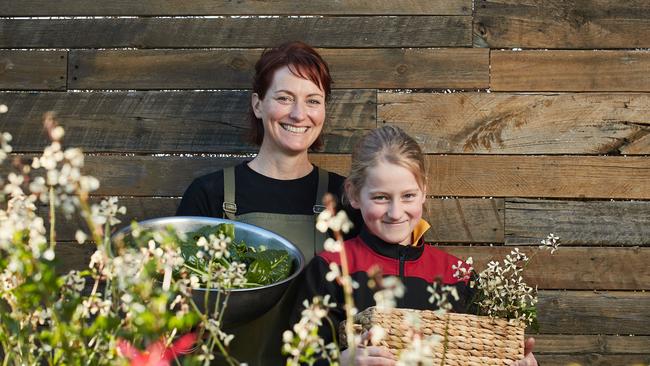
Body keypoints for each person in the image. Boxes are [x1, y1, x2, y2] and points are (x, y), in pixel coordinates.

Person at [176, 41, 360, 365]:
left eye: (312, 101)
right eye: (284, 98)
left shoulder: (345, 200)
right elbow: (177, 309)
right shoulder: (211, 195)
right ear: (258, 104)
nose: (298, 114)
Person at [291, 125, 538, 366]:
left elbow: (485, 355)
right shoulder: (329, 269)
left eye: (408, 195)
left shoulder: (459, 276)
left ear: (424, 191)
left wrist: (518, 361)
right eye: (381, 197)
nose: (395, 212)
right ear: (354, 194)